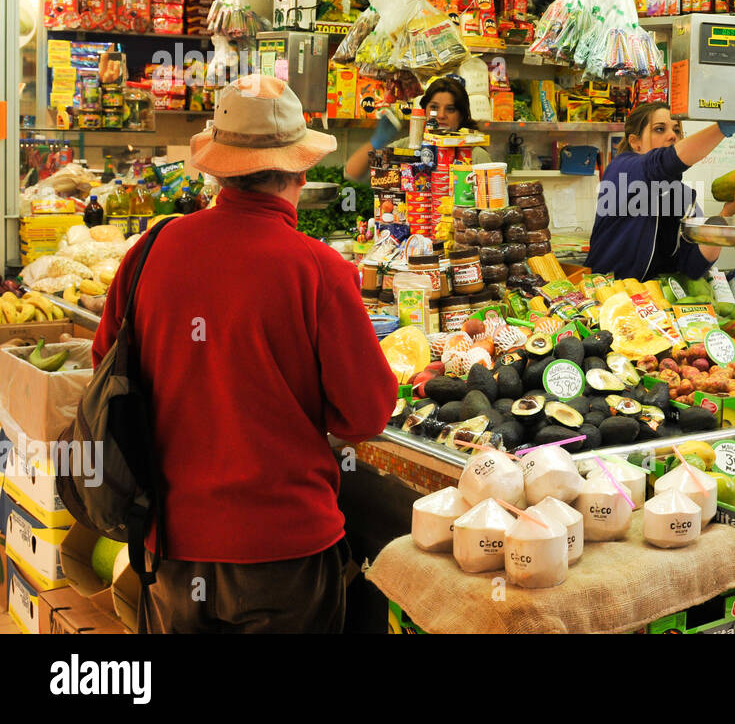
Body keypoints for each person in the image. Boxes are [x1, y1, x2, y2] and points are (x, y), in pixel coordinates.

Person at [93, 74, 397, 633]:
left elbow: (107, 369)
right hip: (287, 553)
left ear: (217, 167)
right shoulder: (322, 271)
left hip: (173, 546)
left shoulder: (151, 250)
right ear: (301, 170)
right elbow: (366, 414)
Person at [586, 102, 735, 280]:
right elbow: (663, 163)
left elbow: (692, 267)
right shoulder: (621, 169)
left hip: (656, 303)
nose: (672, 136)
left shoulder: (683, 197)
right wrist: (722, 128)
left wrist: (726, 216)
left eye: (676, 130)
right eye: (660, 129)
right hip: (606, 294)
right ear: (635, 142)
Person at [344, 75, 481, 183]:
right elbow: (351, 173)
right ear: (424, 112)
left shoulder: (474, 155)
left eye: (450, 109)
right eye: (434, 107)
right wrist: (376, 142)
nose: (441, 115)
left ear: (461, 115)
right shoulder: (407, 147)